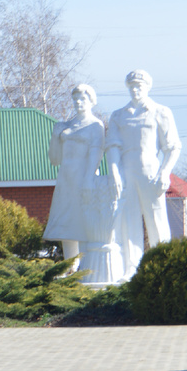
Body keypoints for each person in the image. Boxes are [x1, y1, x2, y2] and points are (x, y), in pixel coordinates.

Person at [106, 69, 182, 276]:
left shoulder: (160, 111)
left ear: (148, 87)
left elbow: (173, 147)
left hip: (150, 171)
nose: (135, 90)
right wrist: (114, 172)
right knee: (128, 221)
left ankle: (164, 264)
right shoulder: (118, 116)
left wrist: (165, 172)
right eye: (131, 86)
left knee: (156, 218)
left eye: (139, 86)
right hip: (126, 172)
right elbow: (112, 147)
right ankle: (132, 268)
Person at [43, 84, 120, 282]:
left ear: (91, 101)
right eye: (75, 98)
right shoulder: (64, 126)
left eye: (83, 99)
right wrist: (55, 136)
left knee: (84, 222)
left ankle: (85, 269)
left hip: (84, 178)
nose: (78, 102)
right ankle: (69, 268)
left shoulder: (95, 125)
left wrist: (88, 179)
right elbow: (54, 159)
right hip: (66, 179)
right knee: (67, 222)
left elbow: (97, 152)